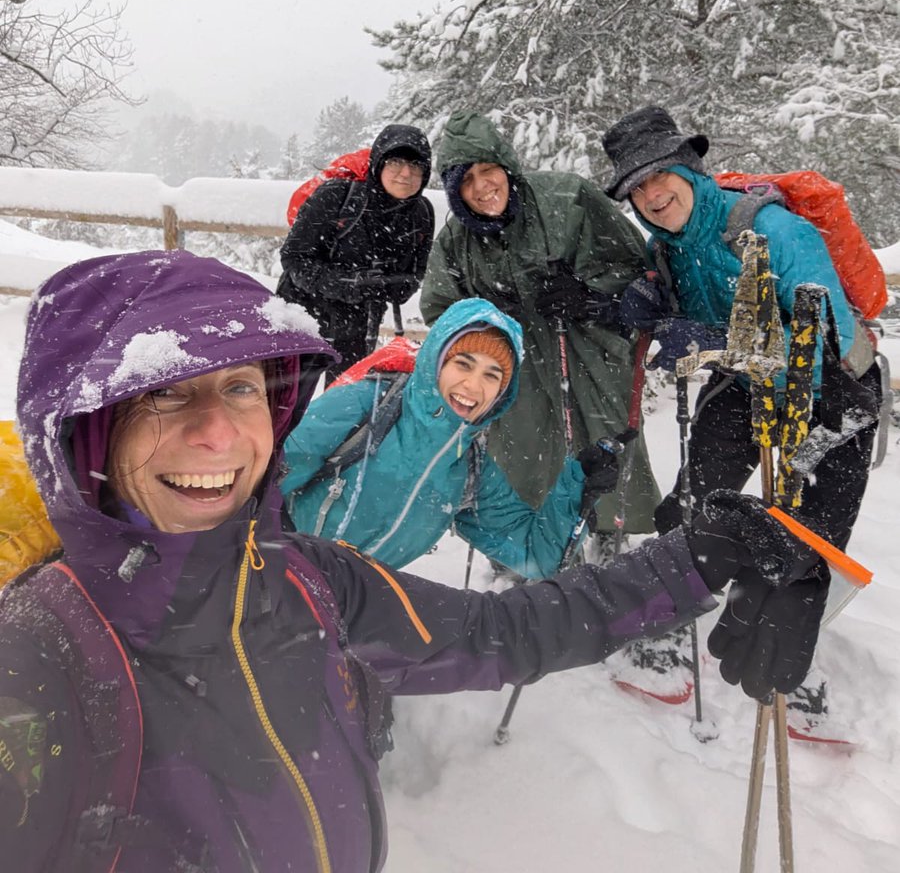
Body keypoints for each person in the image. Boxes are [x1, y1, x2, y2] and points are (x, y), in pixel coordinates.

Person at [1, 249, 823, 870]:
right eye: (165, 391)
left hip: (343, 626)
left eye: (242, 388)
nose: (218, 432)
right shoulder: (34, 663)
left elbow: (518, 600)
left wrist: (684, 545)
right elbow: (281, 469)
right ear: (84, 426)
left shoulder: (332, 572)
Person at [602, 105, 882, 696]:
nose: (651, 195)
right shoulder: (669, 248)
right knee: (693, 502)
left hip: (835, 392)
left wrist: (710, 340)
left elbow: (824, 342)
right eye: (636, 188)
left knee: (806, 542)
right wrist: (655, 304)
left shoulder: (777, 230)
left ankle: (792, 669)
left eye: (659, 176)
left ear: (690, 168)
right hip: (746, 381)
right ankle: (668, 617)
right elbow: (704, 313)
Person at [420, 109, 658, 539]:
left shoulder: (566, 199)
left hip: (588, 351)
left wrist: (589, 295)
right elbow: (441, 309)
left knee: (604, 443)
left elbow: (634, 268)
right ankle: (531, 544)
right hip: (516, 368)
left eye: (488, 170)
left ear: (507, 166)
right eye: (466, 180)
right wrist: (484, 326)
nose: (482, 186)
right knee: (524, 455)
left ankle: (613, 532)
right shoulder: (456, 241)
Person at [280, 298, 609, 576]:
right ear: (436, 361)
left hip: (352, 612)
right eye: (463, 364)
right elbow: (263, 481)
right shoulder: (365, 406)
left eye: (491, 375)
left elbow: (534, 555)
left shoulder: (469, 467)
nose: (473, 385)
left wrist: (578, 489)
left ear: (502, 392)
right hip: (279, 581)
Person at [279, 123, 435, 381]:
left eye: (416, 165)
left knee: (342, 398)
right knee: (286, 397)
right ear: (379, 163)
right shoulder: (338, 196)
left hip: (358, 326)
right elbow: (294, 258)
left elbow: (415, 272)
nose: (406, 173)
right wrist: (345, 283)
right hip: (303, 315)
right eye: (395, 162)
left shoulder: (421, 213)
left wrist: (394, 285)